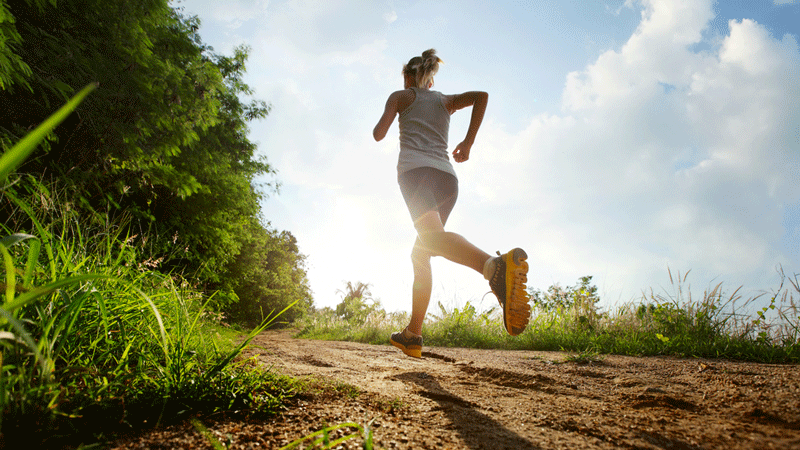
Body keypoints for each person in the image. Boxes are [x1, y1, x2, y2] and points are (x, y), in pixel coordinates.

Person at [373, 49, 531, 358]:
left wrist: (393, 110)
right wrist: (468, 142)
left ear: (408, 77)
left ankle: (494, 267)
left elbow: (379, 134)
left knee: (431, 241)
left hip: (416, 174)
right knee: (423, 251)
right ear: (430, 81)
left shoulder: (401, 96)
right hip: (447, 179)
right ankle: (413, 334)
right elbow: (481, 96)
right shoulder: (445, 100)